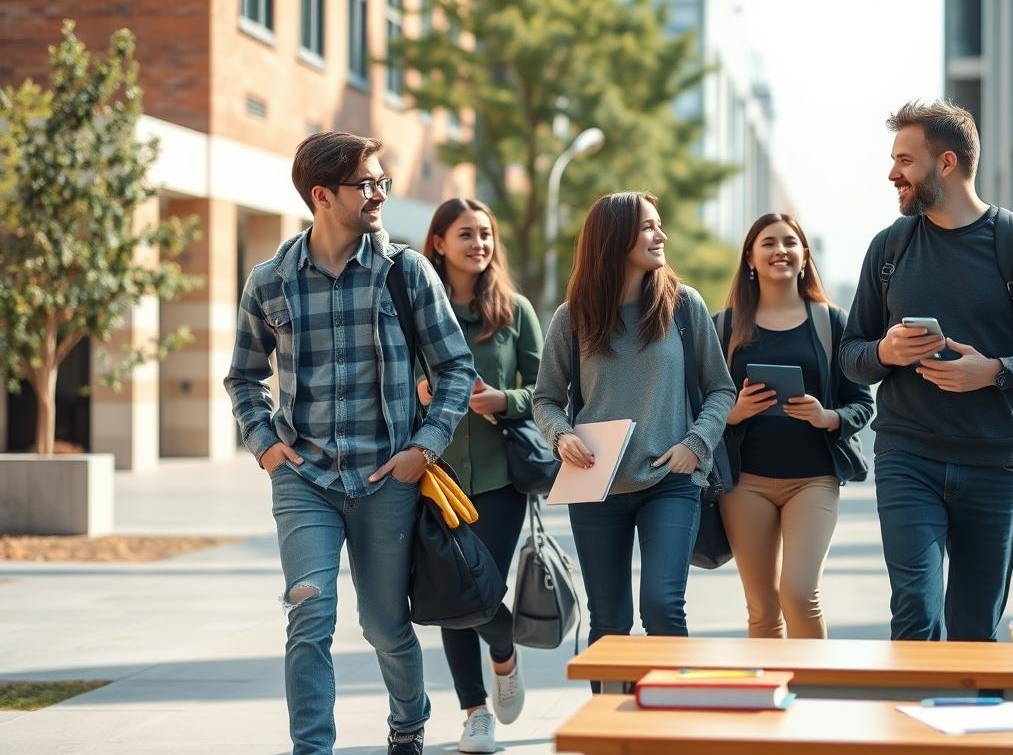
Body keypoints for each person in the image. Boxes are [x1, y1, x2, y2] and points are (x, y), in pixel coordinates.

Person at [224, 132, 475, 755]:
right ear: (322, 196)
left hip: (385, 480)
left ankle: (409, 721)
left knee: (384, 626)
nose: (378, 194)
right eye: (366, 184)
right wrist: (264, 443)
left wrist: (425, 447)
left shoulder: (406, 272)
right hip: (303, 480)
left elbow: (457, 369)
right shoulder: (270, 281)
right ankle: (313, 748)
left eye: (381, 182)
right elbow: (243, 375)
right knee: (309, 617)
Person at [838, 100, 1013, 642]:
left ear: (948, 163)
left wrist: (997, 371)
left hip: (994, 463)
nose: (893, 174)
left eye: (905, 161)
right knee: (916, 612)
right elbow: (851, 355)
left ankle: (967, 727)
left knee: (974, 630)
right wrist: (885, 352)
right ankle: (912, 726)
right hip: (906, 457)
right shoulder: (889, 248)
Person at [531, 191, 734, 666]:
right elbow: (545, 398)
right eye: (648, 227)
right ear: (614, 237)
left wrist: (696, 445)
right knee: (609, 621)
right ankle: (610, 732)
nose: (660, 235)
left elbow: (721, 389)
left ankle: (670, 727)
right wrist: (562, 437)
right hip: (596, 485)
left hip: (671, 480)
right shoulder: (572, 317)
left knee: (663, 608)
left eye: (659, 225)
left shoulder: (683, 306)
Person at [714, 213, 874, 639]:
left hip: (813, 480)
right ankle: (772, 702)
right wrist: (734, 411)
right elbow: (699, 405)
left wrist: (828, 417)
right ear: (750, 257)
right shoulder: (724, 326)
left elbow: (861, 403)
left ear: (804, 257)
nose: (779, 250)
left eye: (790, 242)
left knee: (800, 594)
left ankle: (815, 694)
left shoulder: (831, 322)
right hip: (744, 481)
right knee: (763, 609)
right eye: (768, 242)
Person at [416, 198, 539, 753]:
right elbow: (386, 380)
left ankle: (504, 655)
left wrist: (502, 399)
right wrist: (413, 394)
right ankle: (475, 712)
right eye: (466, 234)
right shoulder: (413, 310)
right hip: (436, 477)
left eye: (486, 234)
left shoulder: (515, 310)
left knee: (481, 590)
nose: (479, 244)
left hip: (499, 479)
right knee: (453, 593)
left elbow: (548, 393)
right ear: (438, 242)